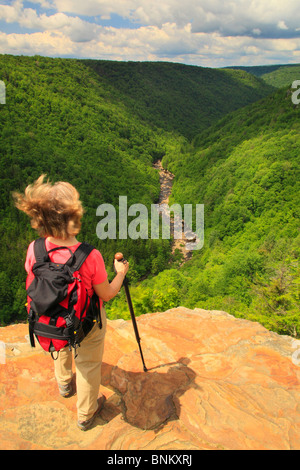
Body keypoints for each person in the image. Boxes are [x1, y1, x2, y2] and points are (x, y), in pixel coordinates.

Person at [13, 174, 129, 431]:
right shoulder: (90, 255)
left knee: (61, 338)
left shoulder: (36, 249)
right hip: (85, 322)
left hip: (50, 318)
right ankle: (86, 415)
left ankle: (65, 383)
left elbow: (33, 280)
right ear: (74, 216)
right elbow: (106, 293)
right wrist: (120, 273)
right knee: (88, 364)